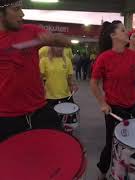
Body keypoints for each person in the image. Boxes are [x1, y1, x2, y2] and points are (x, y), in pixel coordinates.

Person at [90, 21, 135, 180]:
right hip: (114, 108)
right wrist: (102, 103)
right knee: (112, 142)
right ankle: (102, 171)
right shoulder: (104, 58)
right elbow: (93, 83)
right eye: (123, 30)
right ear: (113, 35)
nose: (128, 32)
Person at [0, 0, 71, 142]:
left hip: (39, 109)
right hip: (6, 116)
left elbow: (66, 42)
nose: (22, 14)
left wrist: (53, 38)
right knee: (13, 161)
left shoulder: (31, 30)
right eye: (16, 9)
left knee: (63, 151)